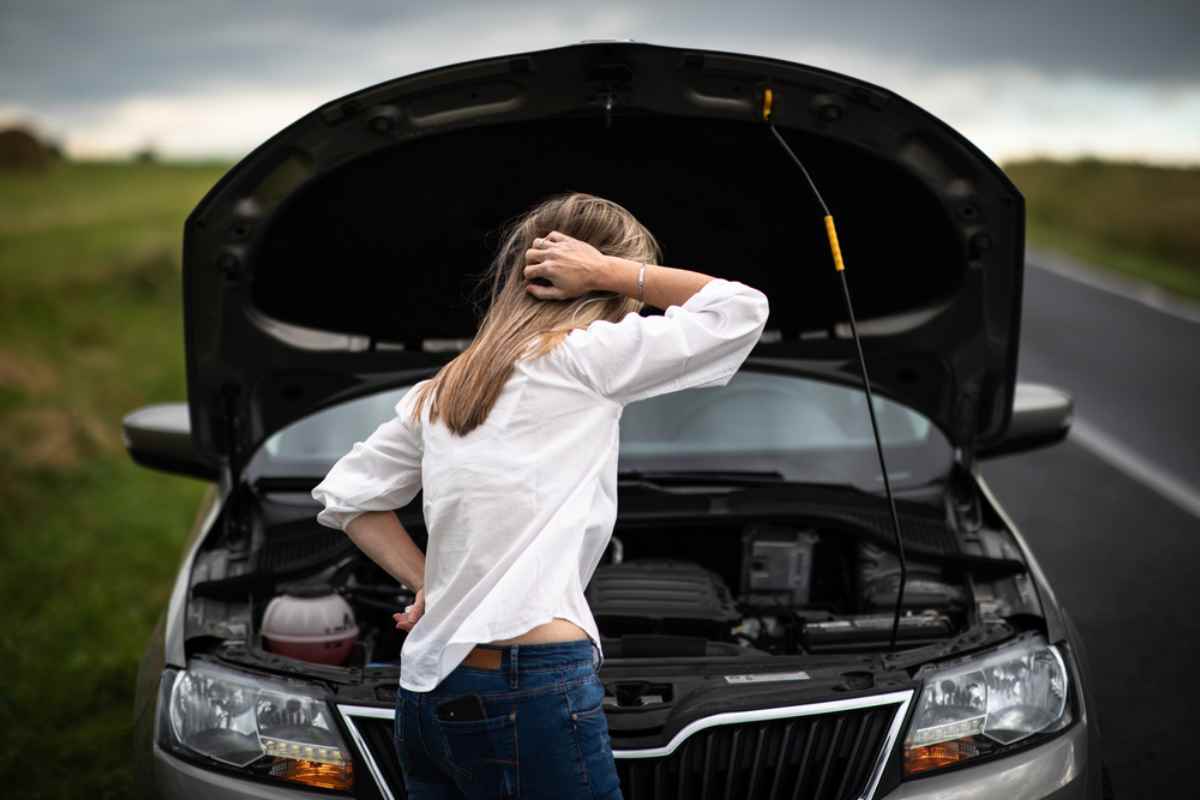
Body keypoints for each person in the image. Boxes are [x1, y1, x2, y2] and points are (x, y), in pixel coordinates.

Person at [311, 192, 770, 799]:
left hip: (430, 692)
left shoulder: (445, 388)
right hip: (530, 684)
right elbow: (739, 309)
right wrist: (606, 270)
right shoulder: (584, 359)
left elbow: (350, 496)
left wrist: (431, 586)